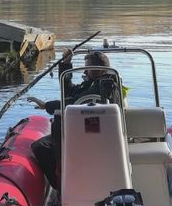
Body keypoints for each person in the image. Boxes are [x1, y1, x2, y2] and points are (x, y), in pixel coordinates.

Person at [28, 50, 111, 191]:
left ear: (99, 69)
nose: (85, 71)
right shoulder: (93, 83)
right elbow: (70, 92)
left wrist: (46, 105)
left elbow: (73, 102)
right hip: (89, 128)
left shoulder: (104, 86)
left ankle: (61, 186)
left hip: (94, 131)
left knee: (41, 147)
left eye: (87, 68)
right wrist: (66, 65)